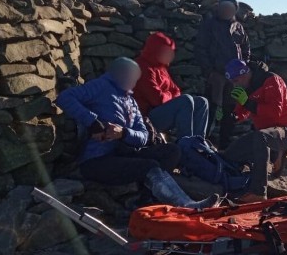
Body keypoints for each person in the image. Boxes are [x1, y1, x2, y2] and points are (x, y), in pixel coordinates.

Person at [56, 57, 217, 209]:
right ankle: (185, 204)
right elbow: (65, 97)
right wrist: (93, 123)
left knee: (172, 151)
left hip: (124, 154)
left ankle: (145, 201)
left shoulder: (130, 101)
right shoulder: (100, 86)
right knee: (150, 165)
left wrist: (124, 133)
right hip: (97, 160)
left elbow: (144, 136)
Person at [222, 59, 287, 203]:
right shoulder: (247, 86)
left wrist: (247, 102)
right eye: (233, 82)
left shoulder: (271, 80)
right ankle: (244, 181)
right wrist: (229, 115)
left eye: (237, 80)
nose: (235, 85)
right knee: (230, 154)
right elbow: (242, 113)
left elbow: (275, 113)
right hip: (263, 134)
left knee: (260, 137)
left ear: (245, 74)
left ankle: (258, 192)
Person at [194, 0, 250, 148]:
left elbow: (245, 48)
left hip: (234, 77)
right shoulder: (209, 25)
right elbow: (201, 48)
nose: (226, 11)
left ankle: (225, 145)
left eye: (230, 8)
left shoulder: (238, 27)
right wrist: (209, 72)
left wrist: (243, 67)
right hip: (216, 75)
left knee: (231, 110)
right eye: (224, 7)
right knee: (212, 108)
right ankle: (203, 143)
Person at [133, 32, 210, 139]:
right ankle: (185, 144)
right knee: (186, 100)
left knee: (202, 102)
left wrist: (168, 95)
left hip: (161, 110)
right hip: (145, 118)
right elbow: (157, 99)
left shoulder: (160, 68)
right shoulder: (142, 67)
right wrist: (170, 95)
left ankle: (198, 141)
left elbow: (176, 90)